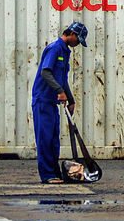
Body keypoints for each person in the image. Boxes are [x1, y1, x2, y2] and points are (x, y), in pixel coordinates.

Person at [31, 21, 88, 183]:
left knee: (53, 140)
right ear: (72, 34)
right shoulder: (55, 48)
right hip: (43, 101)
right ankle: (47, 175)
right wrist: (59, 92)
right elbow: (46, 72)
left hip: (52, 103)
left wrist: (70, 99)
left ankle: (55, 173)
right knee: (45, 139)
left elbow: (62, 79)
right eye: (78, 40)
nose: (77, 44)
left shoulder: (65, 51)